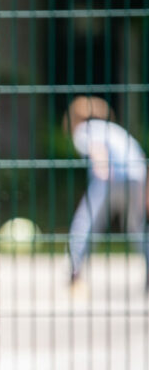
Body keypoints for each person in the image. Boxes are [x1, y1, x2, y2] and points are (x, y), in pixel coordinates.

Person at [65, 95, 149, 290]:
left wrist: (103, 170)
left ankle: (74, 273)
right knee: (138, 229)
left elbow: (97, 149)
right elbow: (140, 157)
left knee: (85, 223)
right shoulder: (116, 130)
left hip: (109, 178)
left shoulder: (83, 130)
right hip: (137, 178)